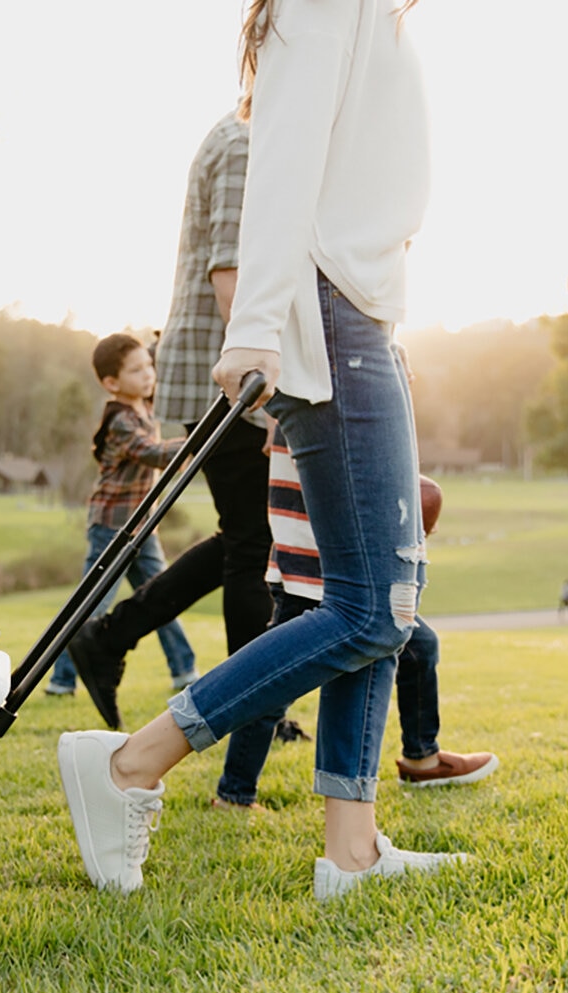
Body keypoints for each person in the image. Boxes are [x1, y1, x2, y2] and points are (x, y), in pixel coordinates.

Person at [57, 0, 469, 902]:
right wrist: (255, 328)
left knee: (381, 599)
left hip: (364, 310)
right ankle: (131, 764)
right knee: (367, 609)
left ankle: (351, 851)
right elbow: (280, 160)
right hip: (328, 311)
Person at [66, 107, 275, 730]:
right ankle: (248, 715)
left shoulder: (240, 138)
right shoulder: (243, 143)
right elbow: (230, 275)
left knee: (244, 536)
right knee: (252, 544)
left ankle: (111, 636)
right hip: (232, 371)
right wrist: (268, 385)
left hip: (226, 367)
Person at [210, 423, 499, 810]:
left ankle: (421, 758)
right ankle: (234, 793)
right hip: (313, 568)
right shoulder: (325, 395)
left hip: (337, 564)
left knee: (419, 647)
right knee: (273, 686)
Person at [44, 332, 198, 696]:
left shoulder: (145, 405)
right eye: (137, 370)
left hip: (143, 529)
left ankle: (185, 672)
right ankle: (61, 680)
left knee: (162, 597)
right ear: (112, 383)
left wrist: (163, 344)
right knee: (92, 604)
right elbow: (156, 453)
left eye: (149, 366)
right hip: (112, 527)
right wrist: (201, 438)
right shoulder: (121, 419)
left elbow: (163, 361)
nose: (148, 375)